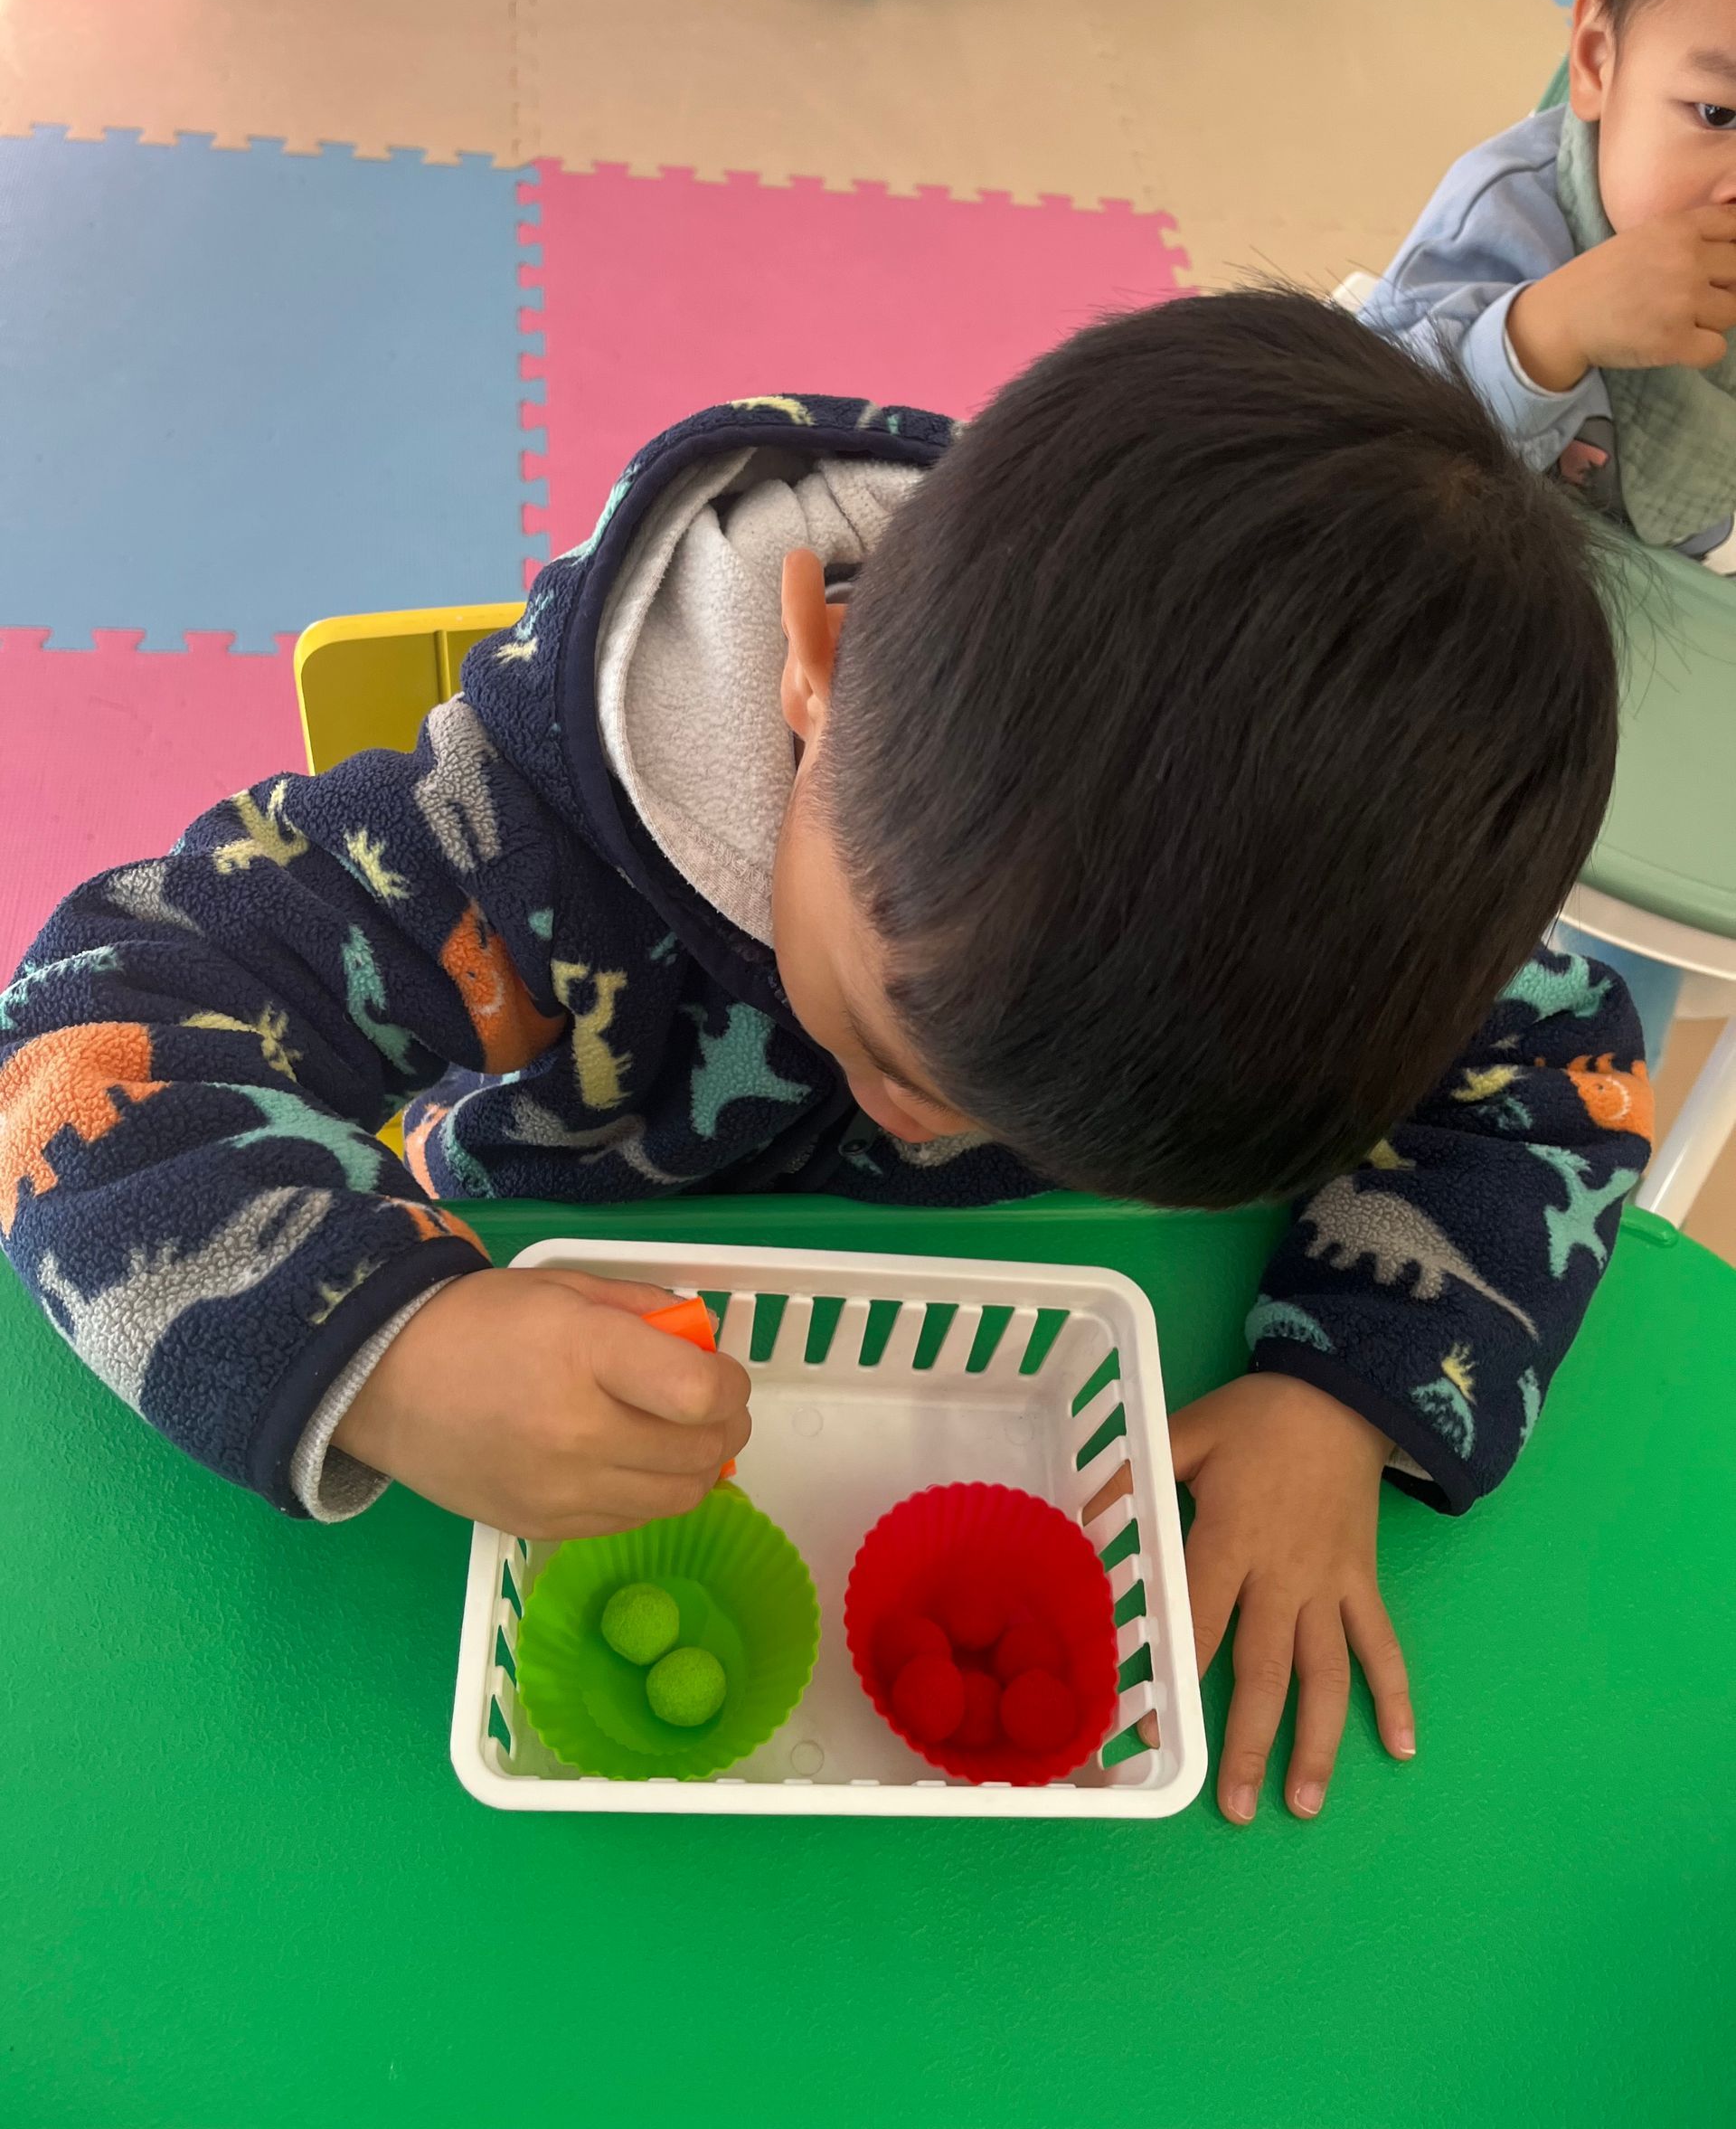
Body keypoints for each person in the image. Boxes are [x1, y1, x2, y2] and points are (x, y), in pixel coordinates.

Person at [0, 291, 1651, 1828]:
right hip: (516, 1348)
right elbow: (83, 1018)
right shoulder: (525, 832)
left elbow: (1564, 1076)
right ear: (821, 670)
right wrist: (398, 1347)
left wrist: (1343, 1397)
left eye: (1063, 1134)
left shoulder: (1366, 921)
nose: (925, 1130)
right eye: (883, 1037)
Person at [1361, 0, 1736, 571]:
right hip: (1483, 577)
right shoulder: (1504, 215)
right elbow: (1367, 448)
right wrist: (1545, 334)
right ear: (1599, 61)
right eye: (1718, 114)